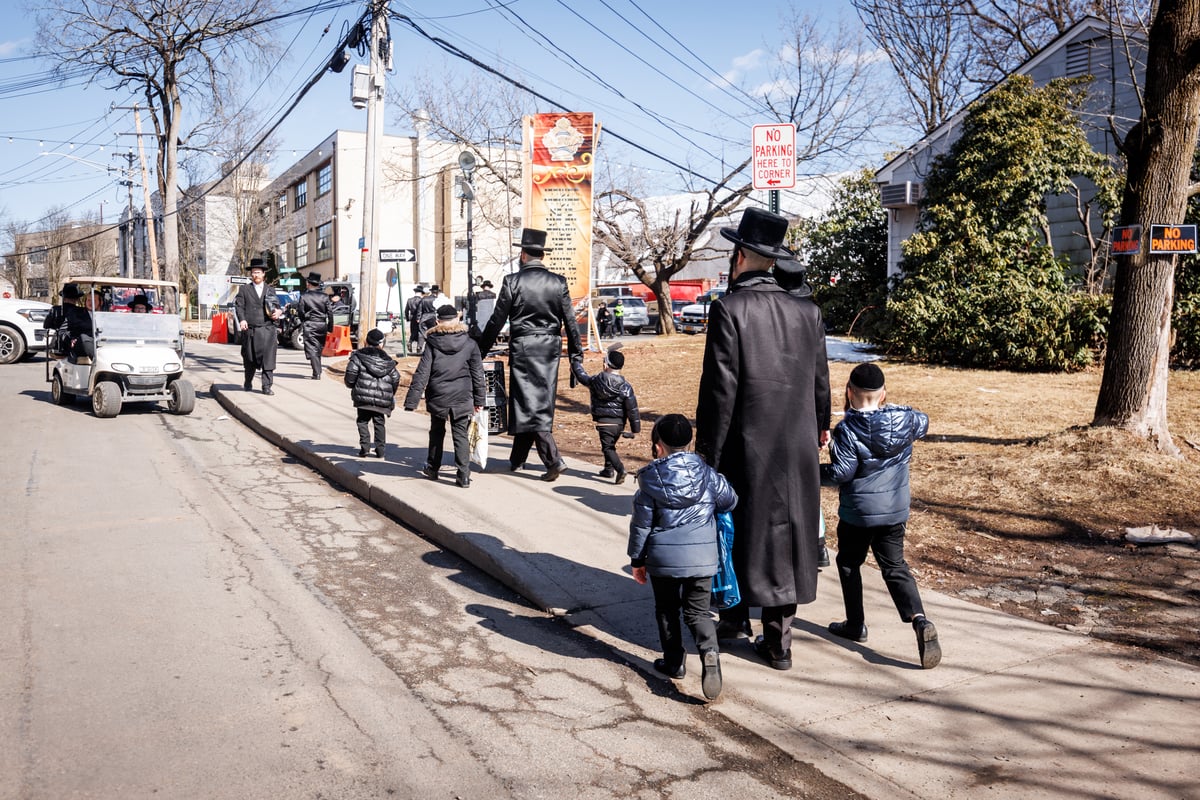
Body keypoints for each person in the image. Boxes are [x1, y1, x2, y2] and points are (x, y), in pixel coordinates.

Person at [694, 207, 831, 671]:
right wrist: (820, 429)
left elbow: (720, 389)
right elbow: (820, 382)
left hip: (744, 440)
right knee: (789, 534)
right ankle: (779, 641)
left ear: (741, 255)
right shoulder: (808, 311)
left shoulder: (728, 309)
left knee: (737, 528)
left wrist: (707, 452)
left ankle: (734, 617)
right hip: (796, 442)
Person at [821, 363, 940, 669]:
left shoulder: (847, 429)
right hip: (895, 511)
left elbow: (842, 473)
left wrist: (811, 470)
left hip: (859, 514)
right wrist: (900, 411)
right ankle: (920, 619)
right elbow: (924, 422)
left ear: (850, 392)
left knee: (848, 563)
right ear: (883, 393)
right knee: (895, 565)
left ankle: (855, 623)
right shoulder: (906, 420)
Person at [628, 414, 738, 701]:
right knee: (698, 612)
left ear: (657, 446)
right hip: (703, 556)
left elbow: (641, 525)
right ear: (690, 443)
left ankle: (674, 662)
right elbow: (730, 500)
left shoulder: (649, 479)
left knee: (667, 608)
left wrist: (637, 561)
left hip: (663, 558)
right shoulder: (708, 474)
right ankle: (709, 653)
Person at [476, 228, 584, 482]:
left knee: (528, 402)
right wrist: (576, 357)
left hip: (524, 347)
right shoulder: (558, 282)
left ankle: (553, 460)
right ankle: (517, 459)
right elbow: (571, 321)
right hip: (550, 348)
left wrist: (480, 349)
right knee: (536, 400)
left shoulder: (512, 281)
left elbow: (496, 319)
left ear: (523, 255)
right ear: (541, 255)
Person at [774, 259, 829, 568]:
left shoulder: (769, 314)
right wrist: (824, 423)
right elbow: (821, 375)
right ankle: (817, 542)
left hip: (772, 411)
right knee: (806, 482)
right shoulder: (812, 315)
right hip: (804, 414)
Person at [404, 305, 486, 488]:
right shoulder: (470, 343)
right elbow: (477, 374)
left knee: (436, 432)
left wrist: (412, 401)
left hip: (438, 394)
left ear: (438, 321)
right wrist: (480, 400)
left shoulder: (432, 342)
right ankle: (463, 475)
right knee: (460, 434)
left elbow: (422, 372)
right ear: (457, 319)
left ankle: (433, 468)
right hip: (462, 395)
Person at [570, 344, 641, 484]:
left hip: (604, 423)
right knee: (611, 445)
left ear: (606, 364)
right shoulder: (626, 386)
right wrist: (635, 429)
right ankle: (608, 470)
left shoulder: (597, 381)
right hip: (619, 424)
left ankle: (620, 469)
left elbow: (582, 376)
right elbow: (632, 409)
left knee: (608, 448)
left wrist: (575, 363)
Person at [344, 328, 401, 459]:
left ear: (366, 341)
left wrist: (352, 386)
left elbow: (350, 376)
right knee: (379, 423)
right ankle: (380, 450)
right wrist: (390, 393)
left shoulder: (358, 357)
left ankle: (365, 448)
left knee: (362, 421)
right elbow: (396, 378)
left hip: (363, 398)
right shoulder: (388, 361)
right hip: (382, 400)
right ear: (381, 343)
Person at [233, 257, 283, 394]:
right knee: (249, 359)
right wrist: (242, 320)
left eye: (259, 272)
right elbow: (239, 307)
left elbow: (278, 307)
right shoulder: (244, 289)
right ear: (251, 274)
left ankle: (266, 386)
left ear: (263, 274)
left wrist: (278, 312)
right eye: (254, 272)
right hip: (251, 330)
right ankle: (248, 381)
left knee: (268, 359)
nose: (256, 275)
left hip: (268, 329)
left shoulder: (270, 290)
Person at [44, 282, 94, 360]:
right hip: (75, 344)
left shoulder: (55, 309)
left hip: (59, 345)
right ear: (77, 299)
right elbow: (87, 327)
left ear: (64, 298)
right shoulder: (81, 311)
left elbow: (46, 325)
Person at [296, 271, 332, 379]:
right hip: (322, 324)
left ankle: (317, 372)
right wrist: (330, 327)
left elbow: (300, 312)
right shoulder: (325, 296)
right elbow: (330, 312)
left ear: (309, 283)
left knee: (312, 348)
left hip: (310, 323)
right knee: (318, 348)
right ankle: (317, 370)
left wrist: (304, 321)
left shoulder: (304, 296)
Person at [404, 284, 428, 356]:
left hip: (412, 318)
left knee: (413, 332)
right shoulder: (422, 300)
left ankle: (410, 342)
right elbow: (421, 310)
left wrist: (408, 318)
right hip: (420, 318)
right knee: (421, 332)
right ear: (421, 293)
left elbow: (406, 310)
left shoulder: (409, 300)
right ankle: (419, 347)